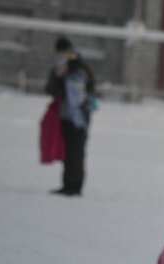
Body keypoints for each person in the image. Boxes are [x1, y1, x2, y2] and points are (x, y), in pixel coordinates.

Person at [44, 37, 95, 196]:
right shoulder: (61, 68)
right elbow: (51, 90)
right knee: (67, 151)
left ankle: (75, 186)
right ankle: (67, 184)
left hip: (79, 117)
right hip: (65, 116)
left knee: (77, 152)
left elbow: (89, 88)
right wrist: (58, 76)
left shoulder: (80, 67)